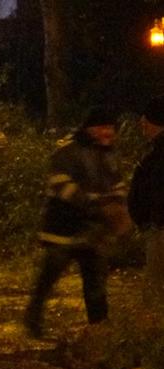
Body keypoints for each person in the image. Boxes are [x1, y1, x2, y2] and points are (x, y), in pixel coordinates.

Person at [23, 106, 128, 337]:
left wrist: (117, 201)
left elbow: (117, 182)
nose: (108, 132)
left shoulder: (108, 153)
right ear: (90, 129)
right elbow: (61, 184)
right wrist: (96, 203)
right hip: (63, 228)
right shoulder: (67, 151)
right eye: (103, 127)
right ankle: (33, 320)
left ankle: (99, 330)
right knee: (48, 279)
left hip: (93, 231)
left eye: (111, 127)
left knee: (95, 283)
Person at [128, 95, 164, 307]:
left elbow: (156, 190)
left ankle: (153, 333)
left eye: (146, 119)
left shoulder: (159, 153)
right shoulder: (155, 150)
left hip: (159, 229)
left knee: (155, 289)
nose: (142, 123)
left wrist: (154, 220)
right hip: (155, 227)